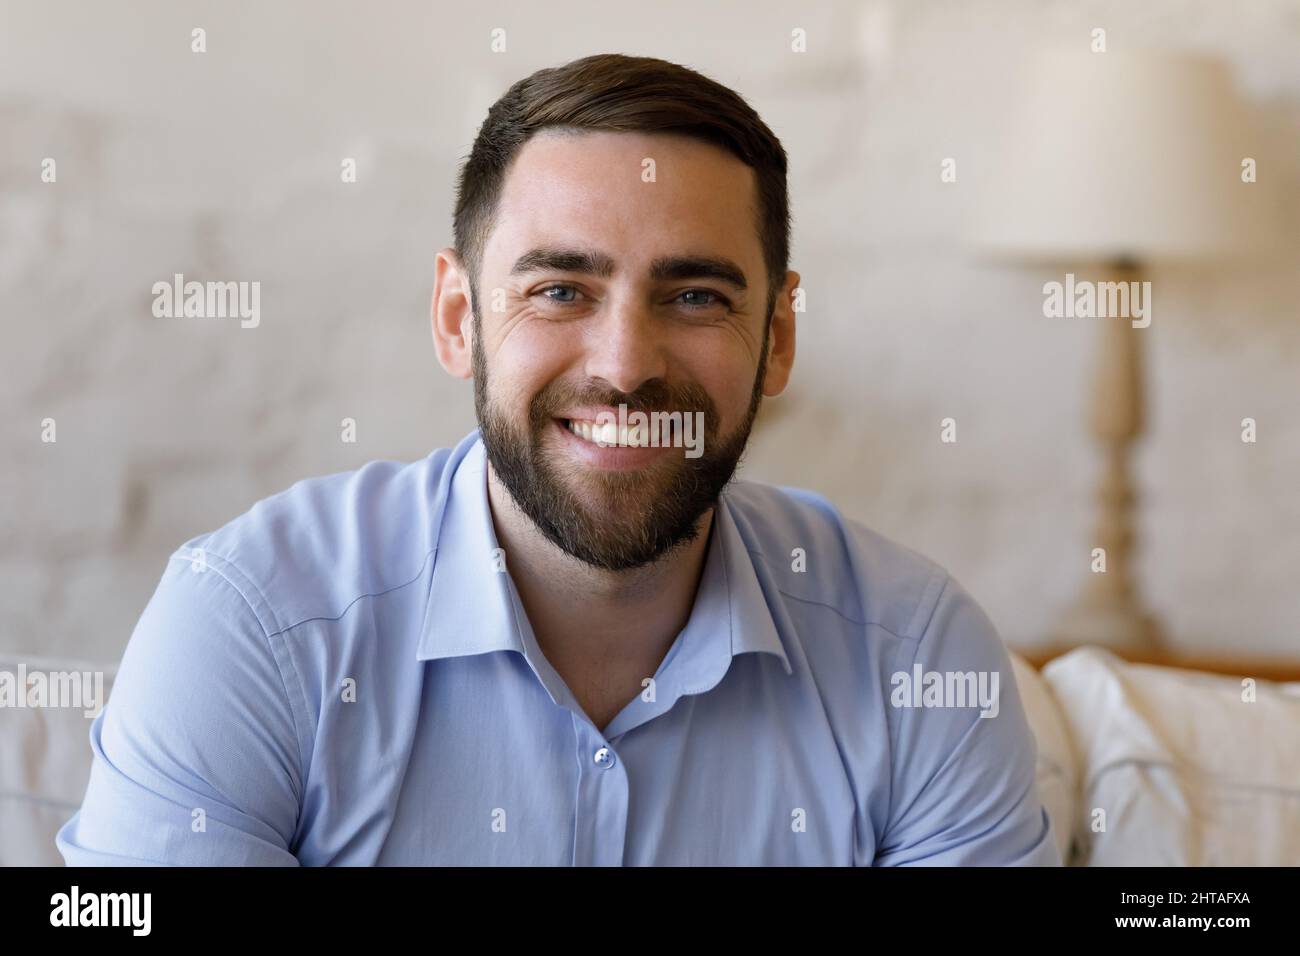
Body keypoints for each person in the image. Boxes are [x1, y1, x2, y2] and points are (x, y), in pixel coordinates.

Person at [57, 52, 1059, 866]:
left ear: (779, 337)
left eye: (696, 295)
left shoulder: (914, 655)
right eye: (559, 290)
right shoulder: (252, 620)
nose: (625, 367)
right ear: (459, 318)